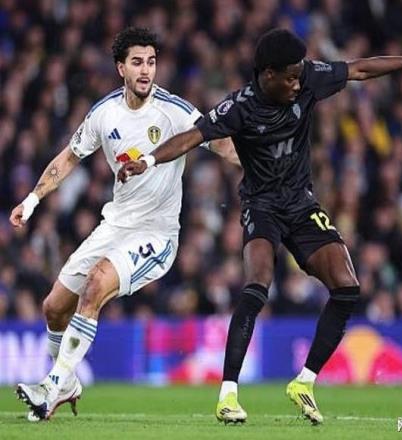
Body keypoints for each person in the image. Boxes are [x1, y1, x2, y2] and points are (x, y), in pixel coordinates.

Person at [119, 28, 402, 424]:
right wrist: (147, 161)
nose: (297, 83)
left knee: (347, 287)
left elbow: (358, 69)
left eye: (299, 75)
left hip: (301, 203)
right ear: (268, 74)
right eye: (289, 77)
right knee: (258, 285)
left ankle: (304, 382)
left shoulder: (308, 77)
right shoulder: (239, 107)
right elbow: (192, 136)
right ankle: (228, 394)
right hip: (261, 206)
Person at [10, 26, 238, 421]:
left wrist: (265, 167)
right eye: (137, 62)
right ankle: (69, 382)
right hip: (115, 225)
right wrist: (32, 199)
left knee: (97, 282)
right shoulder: (104, 113)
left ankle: (50, 386)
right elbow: (68, 157)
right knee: (53, 308)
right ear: (121, 68)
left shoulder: (174, 111)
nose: (146, 70)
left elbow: (220, 142)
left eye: (151, 62)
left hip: (156, 234)